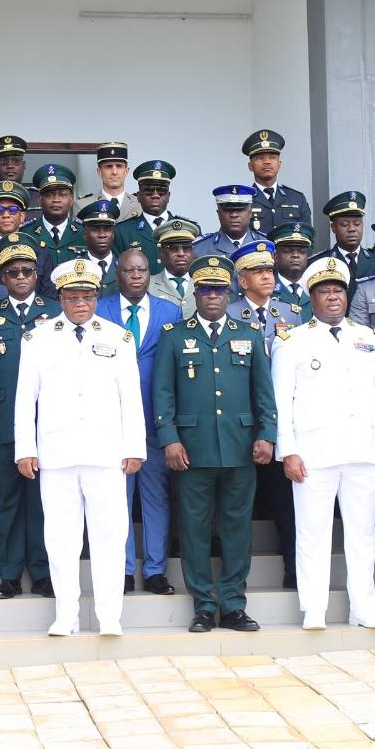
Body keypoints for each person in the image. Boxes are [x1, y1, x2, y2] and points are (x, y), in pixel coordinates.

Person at [16, 259, 145, 636]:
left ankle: (110, 617)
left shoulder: (118, 337)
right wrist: (25, 448)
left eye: (87, 296)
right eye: (73, 297)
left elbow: (131, 396)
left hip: (106, 452)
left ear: (97, 297)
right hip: (56, 452)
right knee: (60, 539)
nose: (80, 304)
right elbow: (25, 398)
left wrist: (134, 446)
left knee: (110, 536)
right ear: (60, 298)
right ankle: (66, 615)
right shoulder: (37, 338)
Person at [152, 256, 277, 633]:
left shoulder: (249, 335)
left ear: (229, 293)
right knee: (194, 530)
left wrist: (267, 434)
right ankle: (204, 606)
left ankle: (234, 605)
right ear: (195, 293)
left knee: (238, 529)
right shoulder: (174, 336)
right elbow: (163, 393)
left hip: (240, 448)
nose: (211, 296)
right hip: (191, 450)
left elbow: (264, 392)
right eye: (204, 289)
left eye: (218, 290)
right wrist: (169, 439)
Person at [272, 256, 375, 631]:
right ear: (312, 298)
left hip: (361, 449)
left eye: (338, 290)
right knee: (312, 534)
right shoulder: (291, 340)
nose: (333, 297)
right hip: (313, 453)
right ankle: (314, 608)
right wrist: (287, 450)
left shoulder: (369, 339)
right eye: (324, 291)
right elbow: (281, 401)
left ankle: (363, 608)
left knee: (363, 535)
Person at [0, 234, 60, 599]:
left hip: (47, 424)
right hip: (3, 422)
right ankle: (8, 575)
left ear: (36, 274)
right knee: (6, 501)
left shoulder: (55, 312)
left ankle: (42, 572)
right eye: (13, 272)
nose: (21, 277)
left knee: (42, 502)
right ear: (2, 277)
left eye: (27, 271)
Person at [96, 248, 182, 595]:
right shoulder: (99, 309)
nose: (135, 276)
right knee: (118, 499)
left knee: (156, 497)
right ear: (117, 274)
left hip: (154, 417)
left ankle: (156, 570)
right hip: (111, 420)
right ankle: (124, 569)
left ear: (150, 274)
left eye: (142, 270)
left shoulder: (169, 310)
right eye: (128, 270)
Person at [112, 160, 186, 273]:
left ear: (169, 196)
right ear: (138, 196)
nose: (155, 195)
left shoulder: (186, 229)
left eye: (161, 190)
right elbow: (118, 272)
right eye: (149, 190)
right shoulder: (122, 232)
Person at [227, 240, 301, 343]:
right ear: (243, 282)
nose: (266, 276)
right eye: (258, 272)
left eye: (269, 271)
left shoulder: (291, 313)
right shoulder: (228, 315)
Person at [243, 130, 311, 233]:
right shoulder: (244, 200)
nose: (267, 162)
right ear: (250, 166)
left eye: (272, 157)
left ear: (279, 164)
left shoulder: (297, 199)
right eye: (260, 158)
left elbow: (307, 237)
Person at [23, 164, 85, 268]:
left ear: (71, 200)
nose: (56, 200)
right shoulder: (26, 234)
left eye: (62, 195)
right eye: (49, 195)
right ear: (40, 200)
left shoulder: (84, 234)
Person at [311, 191, 375, 290]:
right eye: (344, 224)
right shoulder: (320, 263)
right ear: (333, 227)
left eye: (357, 224)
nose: (352, 229)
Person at [147, 219, 202, 320]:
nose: (181, 253)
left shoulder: (204, 284)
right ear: (161, 252)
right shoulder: (147, 286)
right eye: (173, 248)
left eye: (186, 248)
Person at [194, 184, 267, 260]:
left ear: (250, 213)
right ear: (218, 213)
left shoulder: (266, 245)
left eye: (240, 210)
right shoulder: (200, 249)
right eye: (228, 210)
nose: (234, 215)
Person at [73, 141, 139, 222]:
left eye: (119, 166)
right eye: (108, 166)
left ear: (126, 171)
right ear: (99, 172)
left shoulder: (140, 204)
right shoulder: (83, 205)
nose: (114, 172)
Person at [0, 134, 42, 218]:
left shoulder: (38, 198)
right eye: (4, 162)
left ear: (24, 165)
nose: (10, 166)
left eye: (16, 161)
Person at [75, 200, 122, 290]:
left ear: (113, 234)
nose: (102, 235)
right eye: (95, 230)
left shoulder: (124, 267)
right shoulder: (74, 269)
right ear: (85, 234)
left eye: (107, 229)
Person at [270, 221, 314, 311]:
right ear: (276, 257)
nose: (295, 255)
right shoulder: (267, 289)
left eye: (301, 251)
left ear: (307, 256)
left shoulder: (316, 288)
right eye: (288, 251)